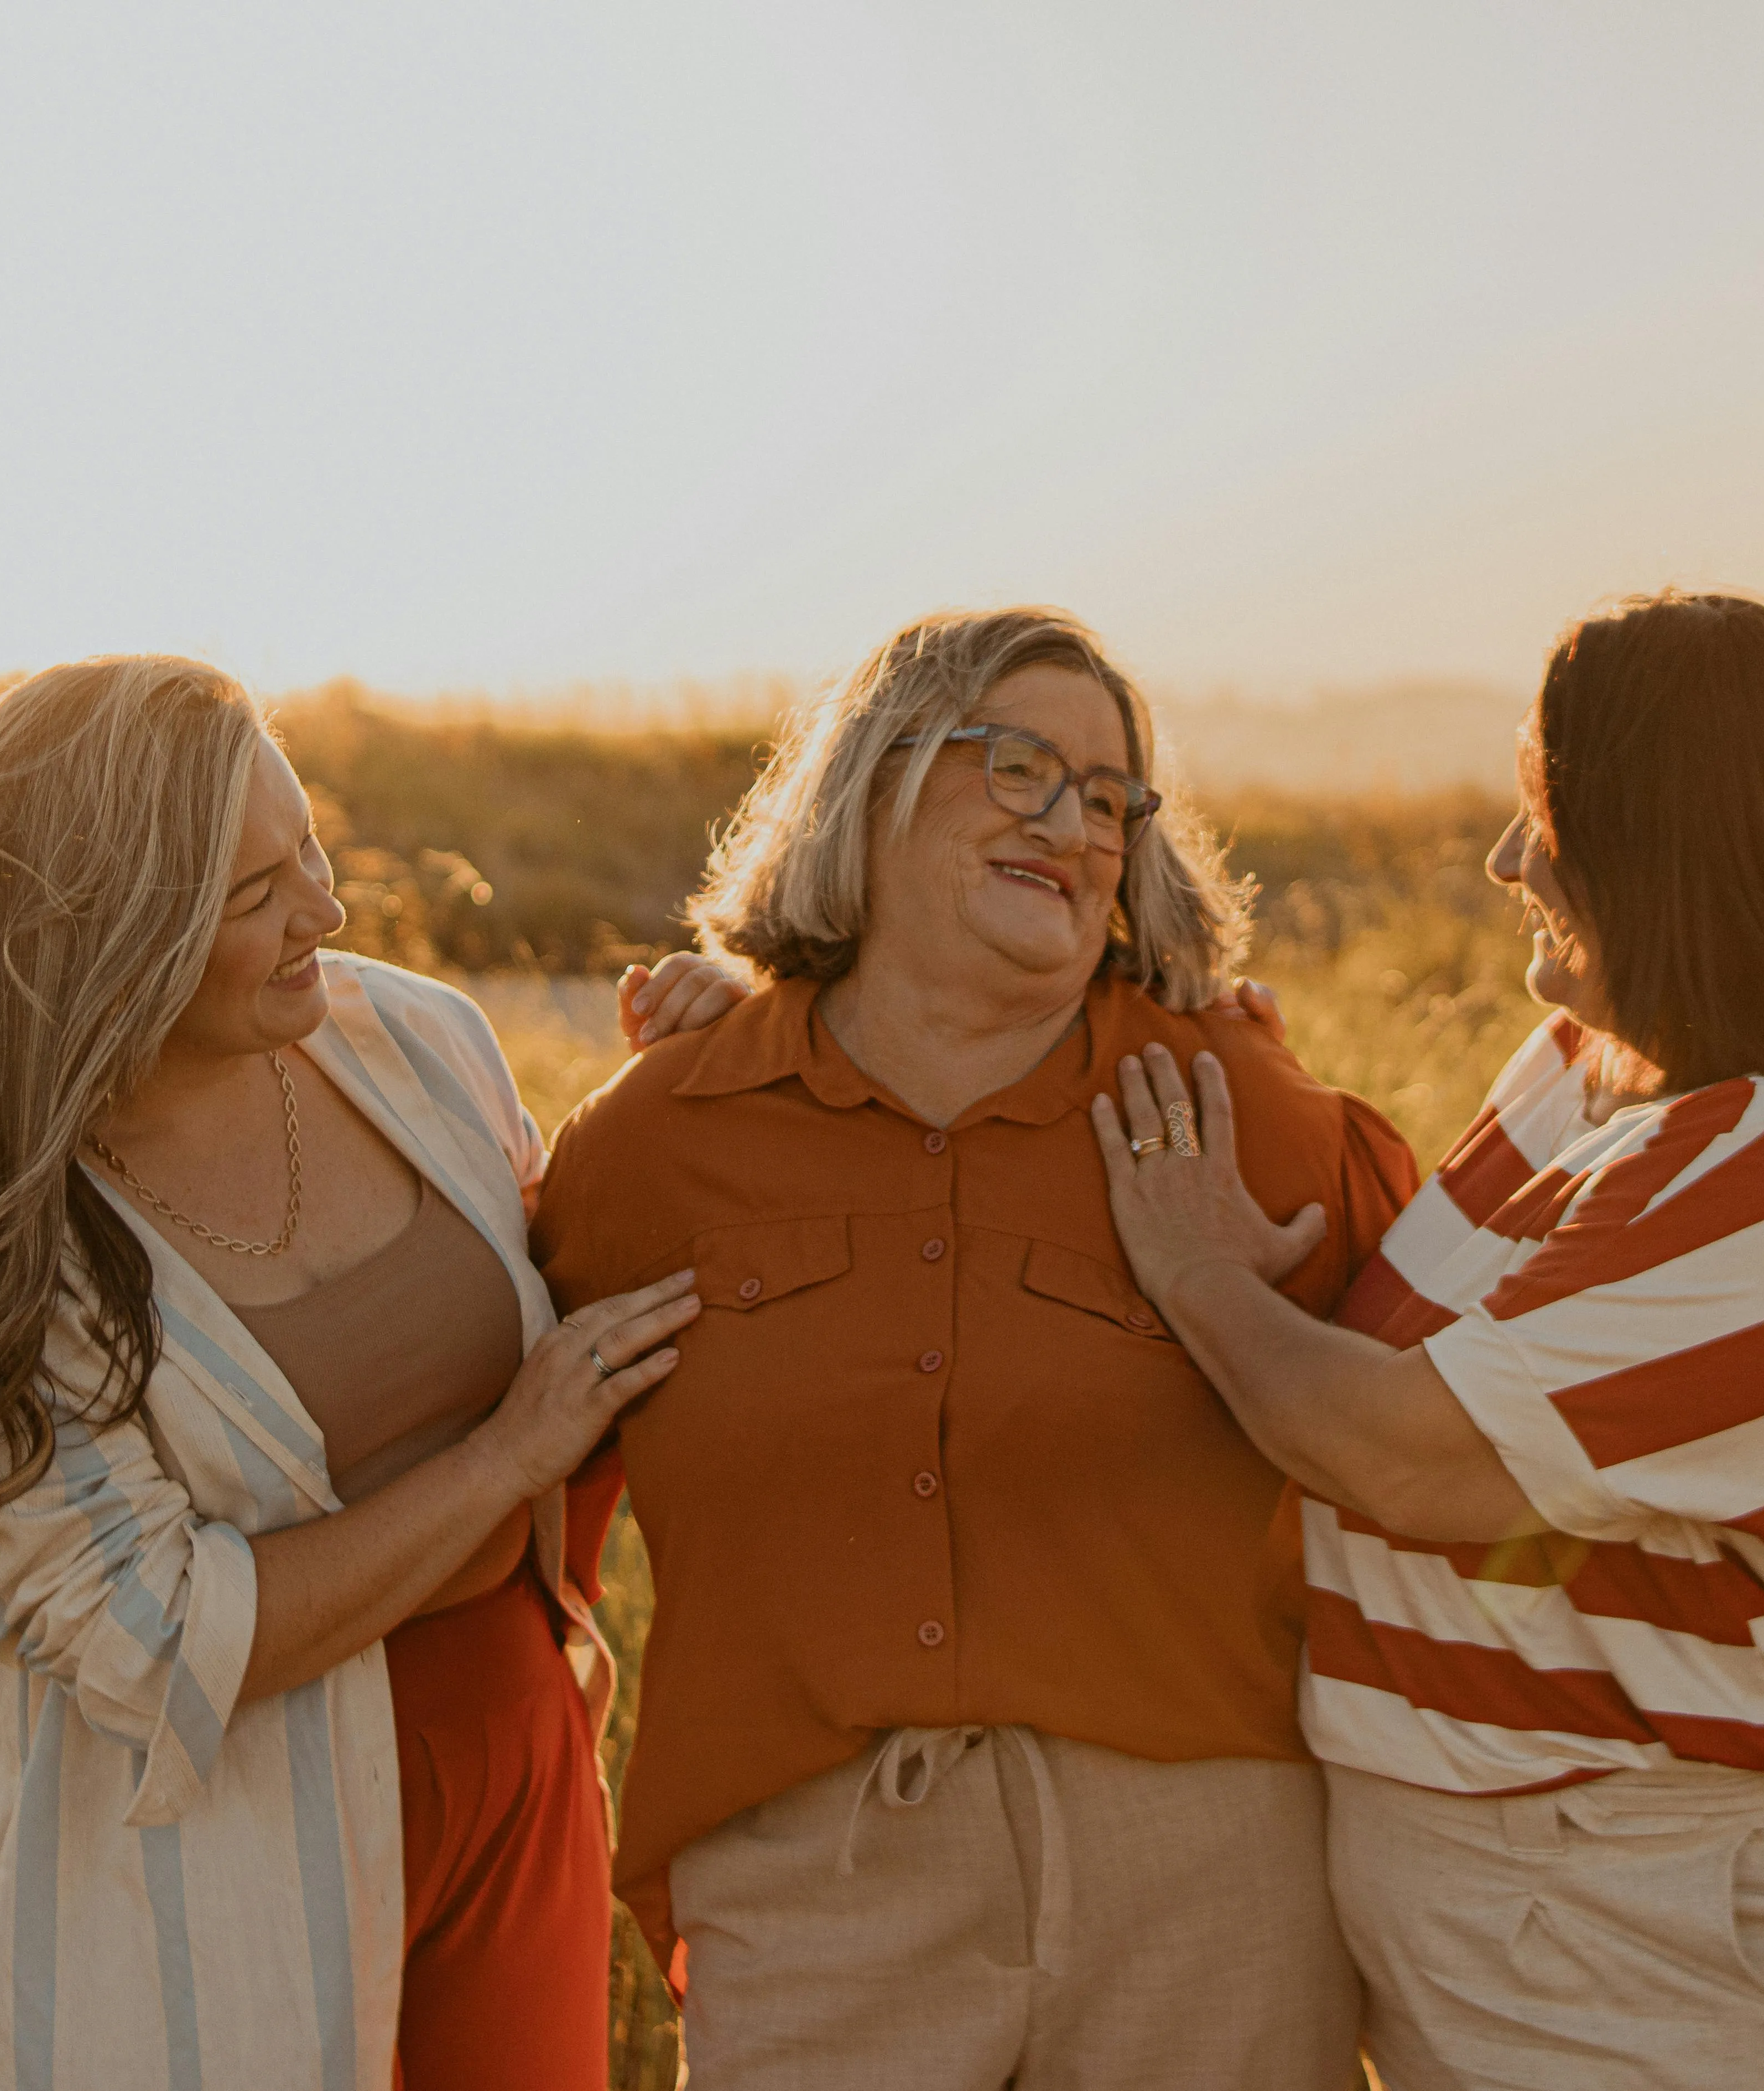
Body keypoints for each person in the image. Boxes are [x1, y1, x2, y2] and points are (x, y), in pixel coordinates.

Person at [1090, 592, 1764, 2090]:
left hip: (1699, 1928)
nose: (1506, 859)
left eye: (1544, 812)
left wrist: (1199, 1275)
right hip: (1541, 1910)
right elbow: (1447, 1346)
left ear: (1667, 848)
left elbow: (1406, 1452)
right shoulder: (1589, 1073)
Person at [0, 656, 702, 2091]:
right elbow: (158, 1647)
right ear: (102, 929)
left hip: (514, 1764)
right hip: (235, 1842)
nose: (323, 912)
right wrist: (503, 1460)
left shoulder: (415, 1038)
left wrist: (694, 1070)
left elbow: (570, 1279)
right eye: (254, 892)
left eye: (311, 847)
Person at [531, 607, 1419, 2090]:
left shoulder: (1229, 1110)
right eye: (1017, 766)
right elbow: (521, 1498)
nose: (1069, 825)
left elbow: (1436, 1435)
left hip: (1202, 1884)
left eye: (1104, 798)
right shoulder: (661, 1138)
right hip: (820, 1893)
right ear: (874, 781)